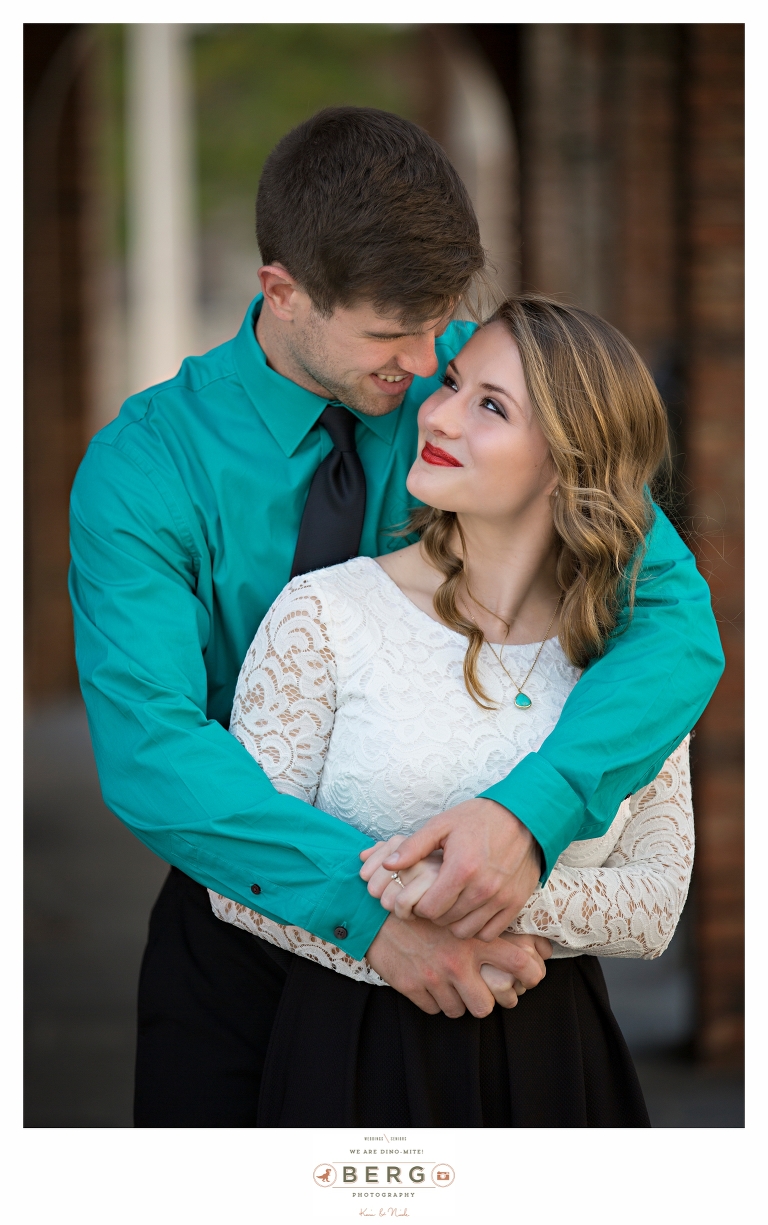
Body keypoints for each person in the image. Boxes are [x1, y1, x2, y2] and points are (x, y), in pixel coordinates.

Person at [68, 108, 723, 1126]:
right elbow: (152, 745)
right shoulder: (146, 469)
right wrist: (373, 919)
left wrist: (530, 814)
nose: (428, 367)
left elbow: (676, 624)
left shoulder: (477, 395)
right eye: (392, 333)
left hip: (498, 960)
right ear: (281, 293)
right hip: (242, 919)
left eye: (443, 324)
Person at [209, 295, 695, 1125]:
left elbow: (653, 900)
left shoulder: (628, 657)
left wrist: (462, 892)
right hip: (355, 1052)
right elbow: (239, 877)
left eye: (491, 406)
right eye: (456, 382)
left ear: (566, 461)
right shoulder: (323, 614)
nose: (438, 412)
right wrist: (412, 932)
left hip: (559, 1062)